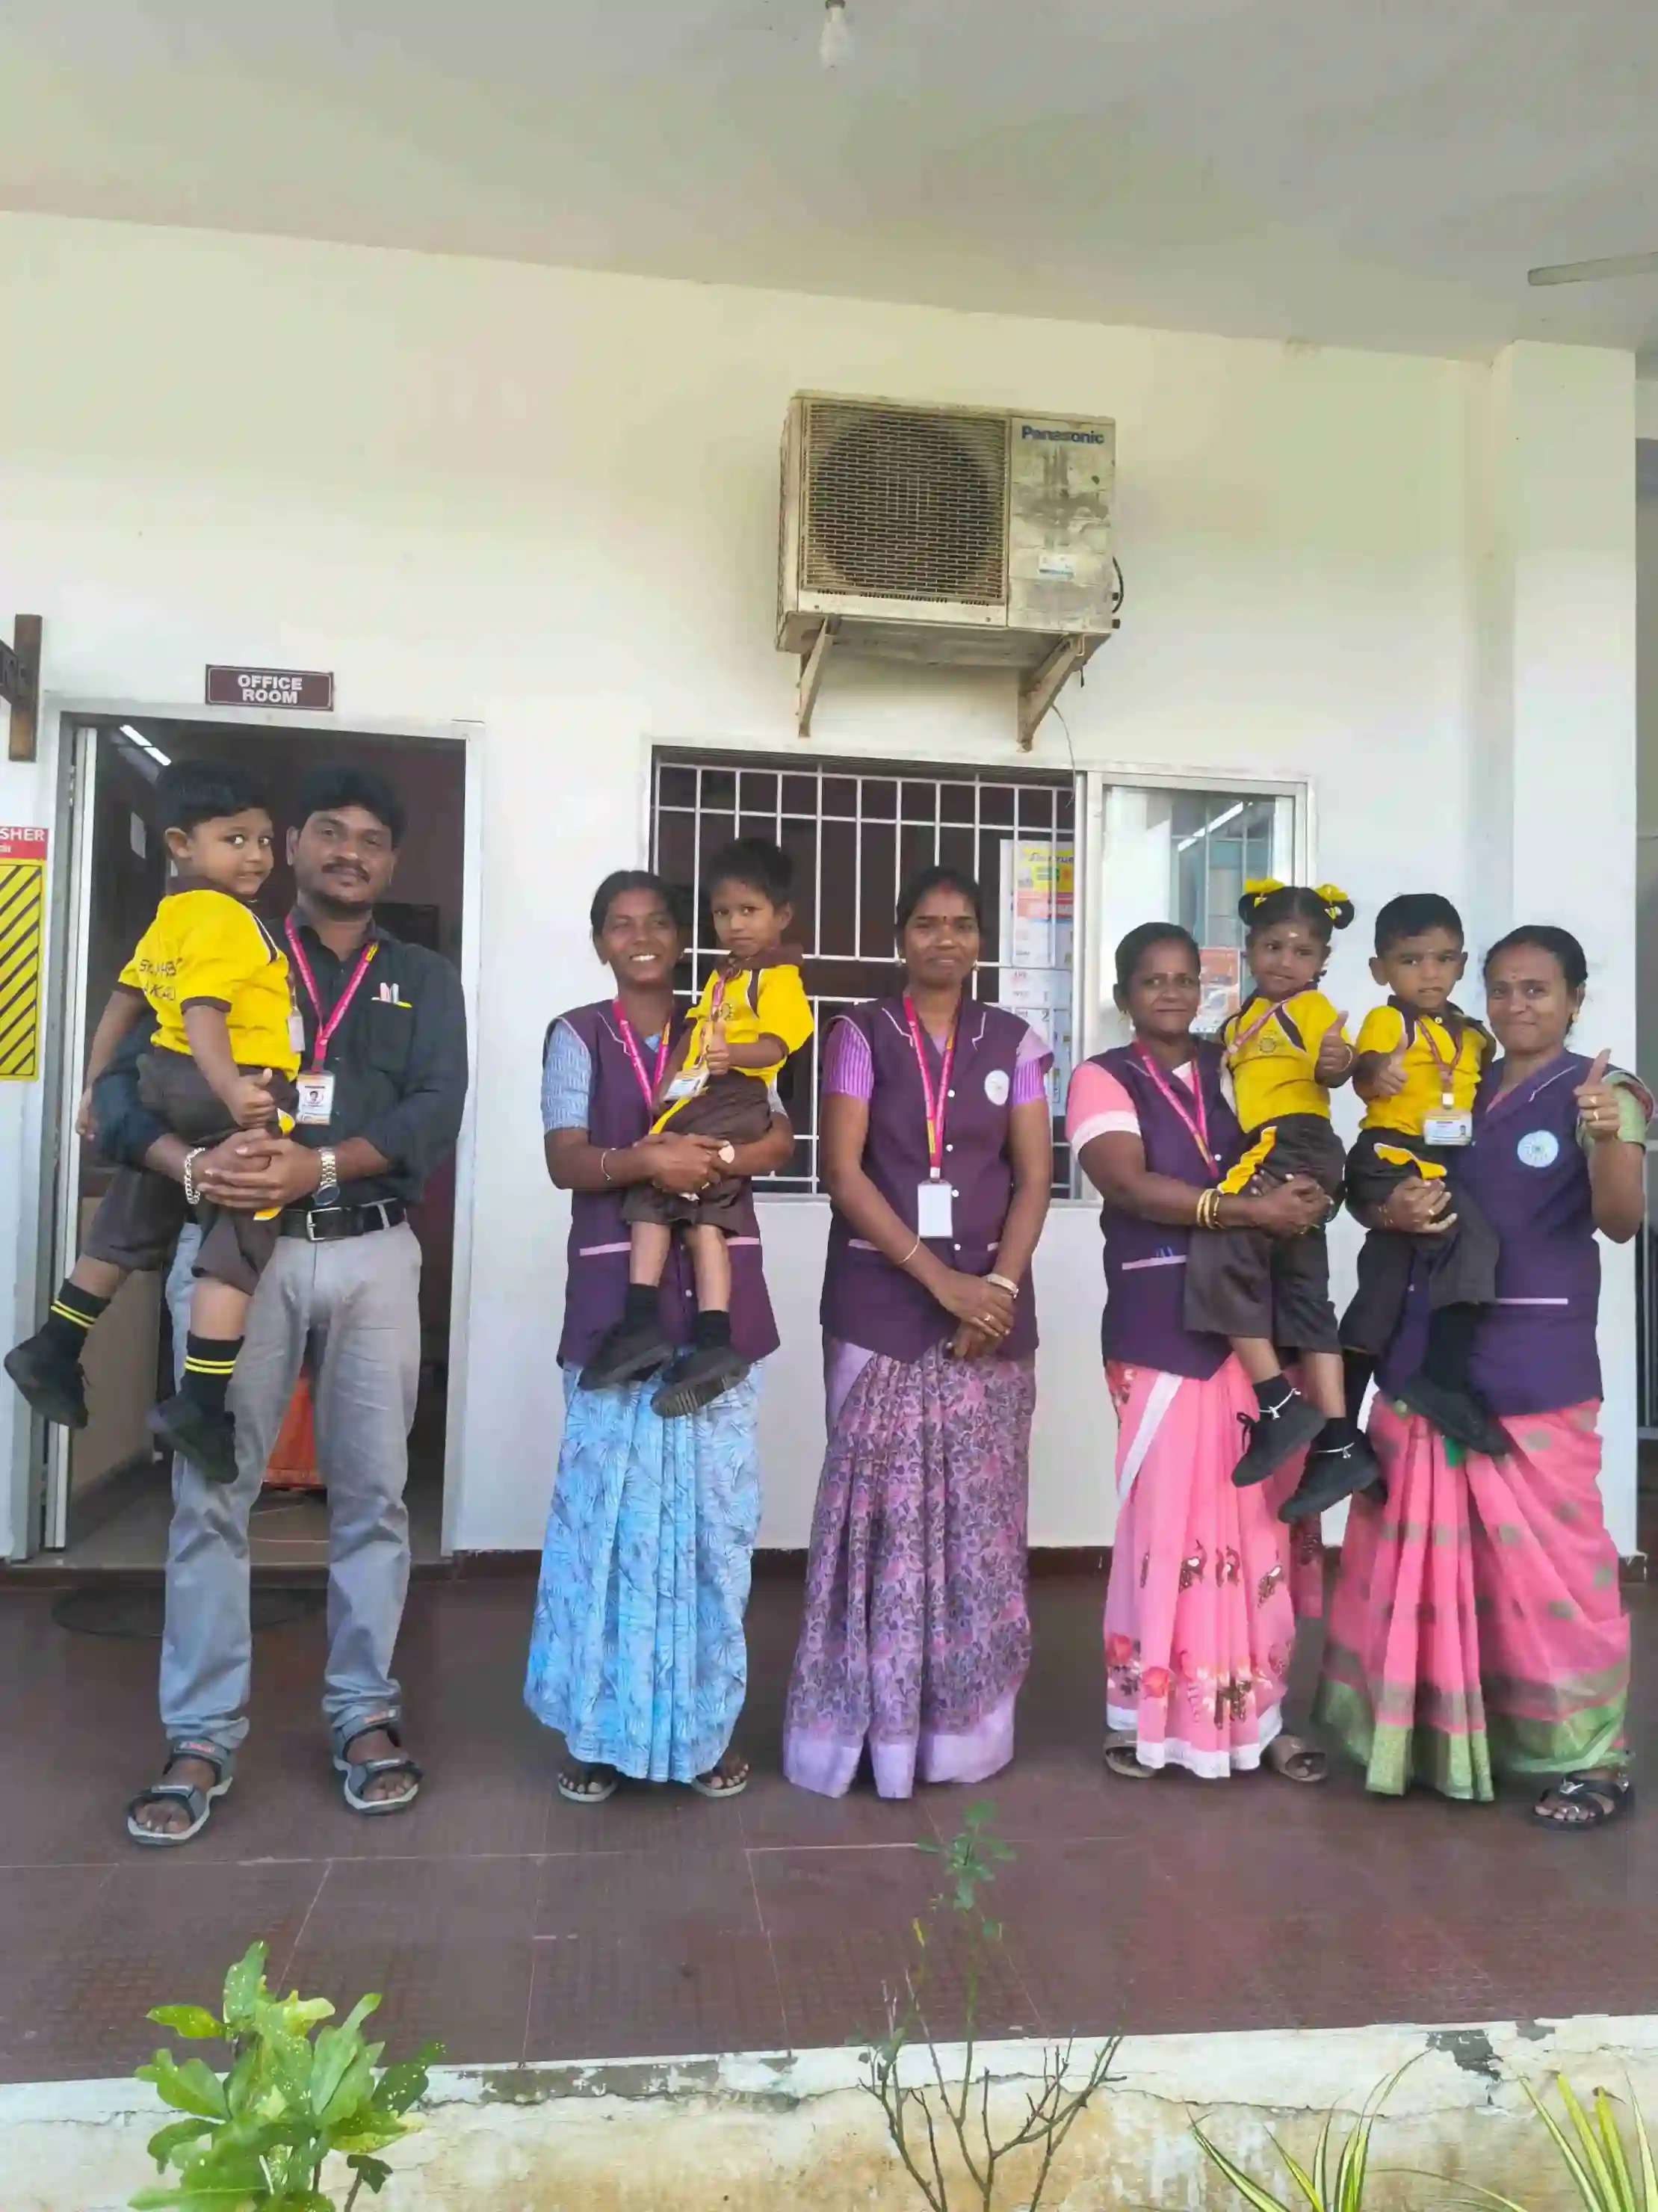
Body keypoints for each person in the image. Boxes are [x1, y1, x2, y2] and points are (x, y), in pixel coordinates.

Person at [97, 764, 468, 1844]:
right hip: (230, 1256)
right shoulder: (222, 938)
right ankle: (202, 1733)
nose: (350, 852)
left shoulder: (423, 978)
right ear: (292, 845)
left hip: (369, 1251)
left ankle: (363, 1715)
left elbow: (434, 1109)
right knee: (213, 1490)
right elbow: (123, 1088)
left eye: (372, 839)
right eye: (330, 833)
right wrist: (192, 1166)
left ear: (391, 862)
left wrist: (322, 1167)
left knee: (375, 1493)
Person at [1316, 925, 1647, 1827]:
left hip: (1532, 1360)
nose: (1514, 1006)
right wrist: (1397, 1205)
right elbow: (1394, 1177)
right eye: (1500, 988)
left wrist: (1612, 1137)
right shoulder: (1454, 1072)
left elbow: (1620, 1220)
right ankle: (1437, 1739)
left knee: (1553, 1572)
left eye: (1536, 989)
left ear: (1574, 997)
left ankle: (1591, 1755)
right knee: (1416, 1556)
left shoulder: (1601, 1089)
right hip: (1428, 1350)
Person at [782, 865, 1051, 1799]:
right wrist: (942, 1283)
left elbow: (1032, 1177)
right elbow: (845, 1174)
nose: (946, 939)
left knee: (976, 1527)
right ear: (901, 937)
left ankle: (958, 1738)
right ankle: (867, 1737)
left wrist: (999, 1287)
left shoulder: (1013, 1041)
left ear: (980, 939)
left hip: (990, 1312)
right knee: (876, 1529)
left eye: (962, 924)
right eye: (928, 924)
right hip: (881, 1303)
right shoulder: (858, 1033)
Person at [529, 869, 794, 1805]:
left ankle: (701, 1736)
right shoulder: (578, 1035)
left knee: (711, 1528)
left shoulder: (722, 1017)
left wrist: (712, 1159)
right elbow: (565, 1157)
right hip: (616, 1302)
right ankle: (600, 1733)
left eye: (656, 924)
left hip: (717, 1306)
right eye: (619, 925)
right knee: (605, 1521)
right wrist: (648, 1159)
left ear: (682, 938)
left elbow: (778, 1134)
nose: (639, 938)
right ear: (599, 940)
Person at [1068, 923, 1331, 1782]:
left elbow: (1298, 1128)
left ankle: (1258, 1718)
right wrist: (1242, 1213)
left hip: (1251, 1325)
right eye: (1153, 980)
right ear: (1124, 994)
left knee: (1255, 1524)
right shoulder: (1102, 1078)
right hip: (1158, 1325)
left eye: (1185, 979)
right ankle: (1152, 1716)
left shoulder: (1233, 1069)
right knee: (1168, 1526)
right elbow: (1125, 1181)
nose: (1172, 993)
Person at [7, 759, 301, 1484]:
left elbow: (124, 1000)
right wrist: (233, 1090)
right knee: (241, 1224)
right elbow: (205, 1011)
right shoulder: (229, 920)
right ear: (179, 843)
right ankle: (199, 1400)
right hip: (229, 1081)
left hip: (160, 1078)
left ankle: (54, 1342)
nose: (256, 856)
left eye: (263, 840)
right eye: (234, 839)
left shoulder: (170, 916)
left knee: (134, 1213)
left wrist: (90, 1084)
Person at [584, 837, 813, 1417]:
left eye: (748, 911)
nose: (733, 924)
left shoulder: (775, 976)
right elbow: (702, 1037)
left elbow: (784, 1040)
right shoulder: (724, 978)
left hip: (737, 1096)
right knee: (703, 1217)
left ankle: (643, 1322)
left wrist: (731, 1053)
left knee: (656, 1184)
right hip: (709, 1095)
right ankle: (712, 1338)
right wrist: (675, 1086)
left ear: (781, 917)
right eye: (722, 913)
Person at [1181, 879, 1380, 1520]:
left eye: (1301, 951)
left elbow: (1334, 1064)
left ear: (1321, 962)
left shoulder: (1313, 1009)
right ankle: (1339, 1441)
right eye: (1272, 946)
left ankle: (1276, 1403)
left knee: (1217, 1245)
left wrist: (1336, 1062)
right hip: (1279, 1145)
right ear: (1248, 950)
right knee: (1301, 1291)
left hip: (1291, 1141)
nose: (1285, 961)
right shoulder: (1239, 1020)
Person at [1340, 892, 1503, 1453]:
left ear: (1461, 964)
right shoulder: (1388, 1020)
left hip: (1442, 1157)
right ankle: (1441, 1378)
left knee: (1382, 1290)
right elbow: (1365, 1070)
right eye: (1410, 961)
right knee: (1473, 1238)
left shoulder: (1475, 1035)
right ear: (1379, 969)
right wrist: (1371, 1074)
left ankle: (1340, 1438)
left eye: (1442, 959)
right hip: (1391, 1156)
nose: (1428, 973)